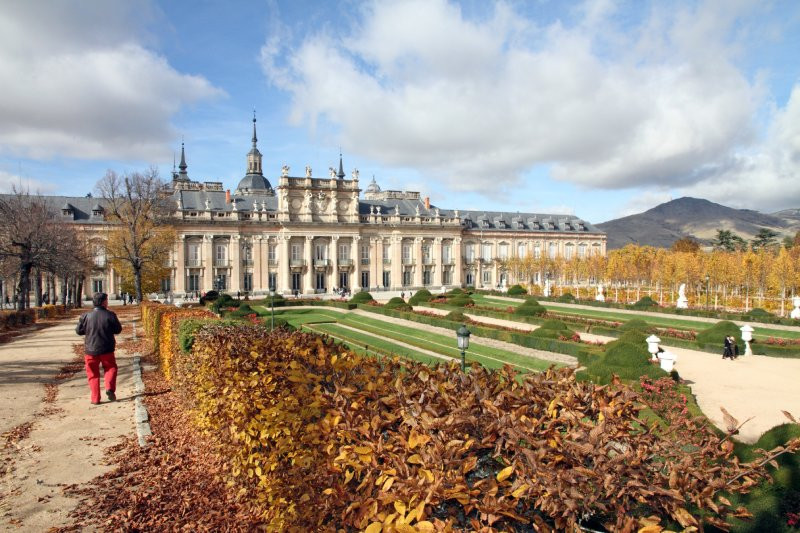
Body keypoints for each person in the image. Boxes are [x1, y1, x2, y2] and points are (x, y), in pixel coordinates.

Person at [76, 292, 122, 405]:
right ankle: (110, 388)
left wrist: (85, 326)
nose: (108, 302)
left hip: (91, 350)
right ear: (103, 302)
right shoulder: (110, 315)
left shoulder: (85, 316)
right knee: (110, 368)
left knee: (92, 374)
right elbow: (118, 330)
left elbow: (79, 331)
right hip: (107, 349)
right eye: (107, 300)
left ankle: (95, 398)